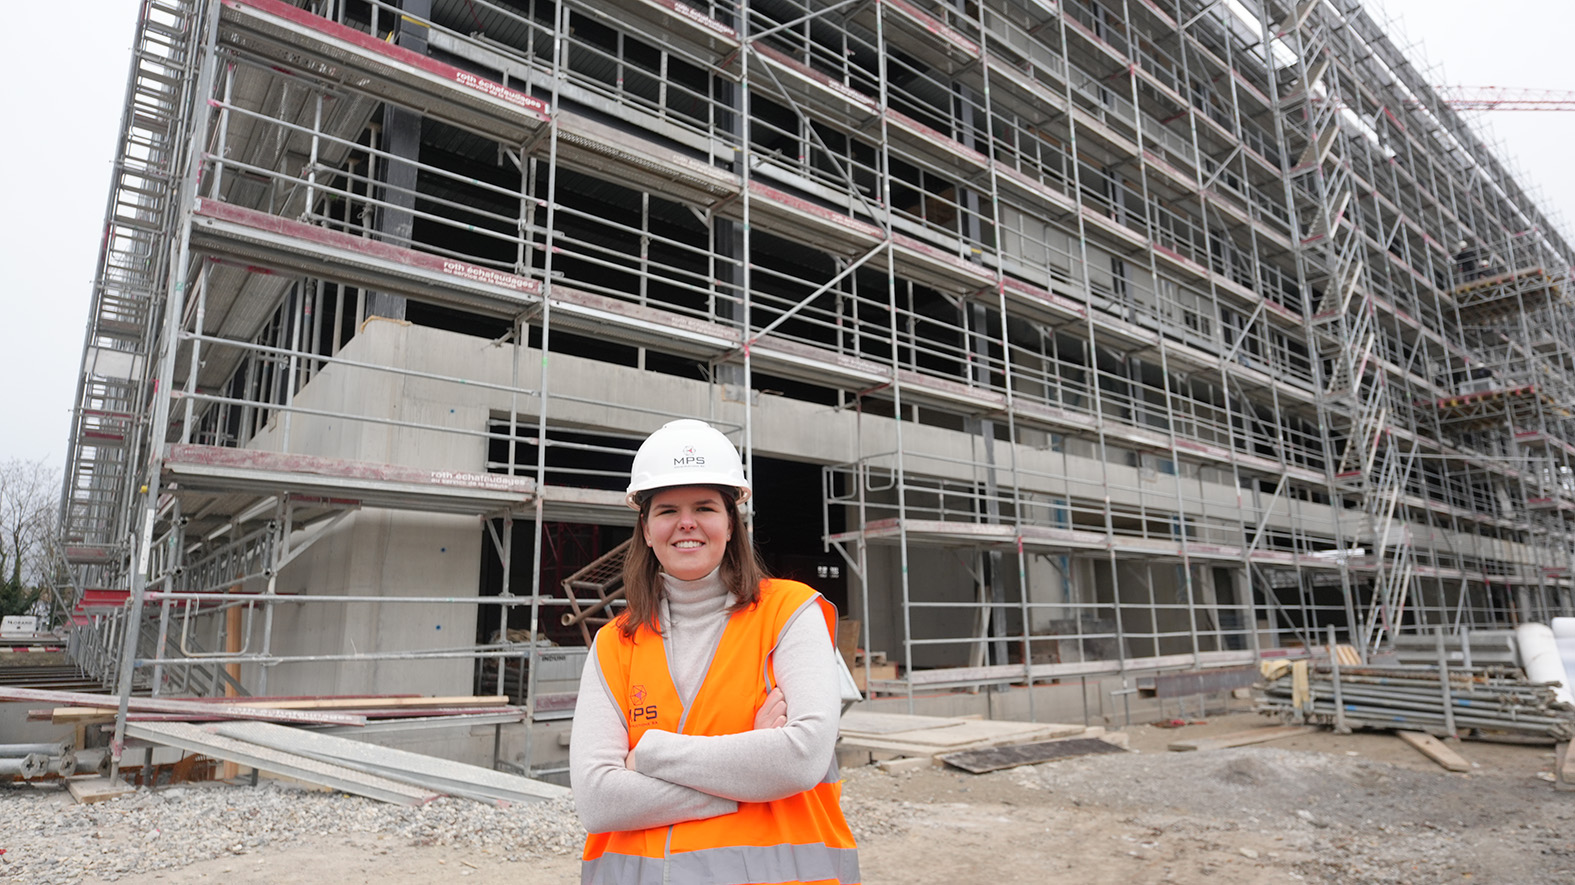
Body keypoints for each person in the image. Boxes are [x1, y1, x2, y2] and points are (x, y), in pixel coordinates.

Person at [570, 419, 860, 885]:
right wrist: (749, 776)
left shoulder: (788, 613)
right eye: (667, 510)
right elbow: (598, 799)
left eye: (704, 507)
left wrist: (646, 754)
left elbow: (801, 757)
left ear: (731, 524)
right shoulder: (615, 643)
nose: (686, 523)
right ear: (646, 529)